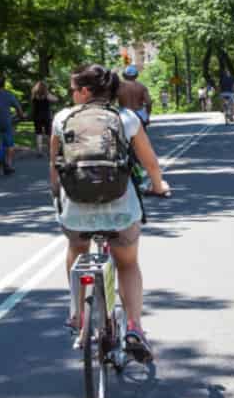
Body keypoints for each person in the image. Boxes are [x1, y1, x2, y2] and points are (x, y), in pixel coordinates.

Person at [51, 63, 170, 362]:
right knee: (127, 264)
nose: (71, 94)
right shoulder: (126, 118)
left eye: (73, 89)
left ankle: (79, 315)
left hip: (76, 208)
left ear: (85, 91)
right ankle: (134, 328)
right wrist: (158, 186)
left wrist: (57, 196)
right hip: (120, 208)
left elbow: (54, 169)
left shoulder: (62, 118)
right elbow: (151, 164)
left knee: (76, 248)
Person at [29, 80, 55, 156]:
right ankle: (50, 150)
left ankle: (39, 151)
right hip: (46, 116)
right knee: (48, 133)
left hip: (37, 116)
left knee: (38, 134)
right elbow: (55, 99)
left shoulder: (34, 95)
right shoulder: (47, 95)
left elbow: (32, 105)